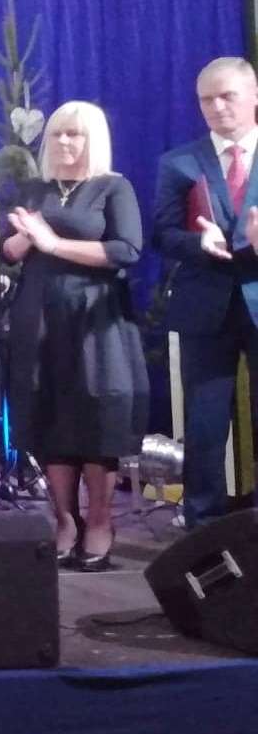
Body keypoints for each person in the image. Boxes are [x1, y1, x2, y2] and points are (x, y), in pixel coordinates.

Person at [5, 101, 147, 569]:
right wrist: (26, 238)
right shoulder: (35, 189)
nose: (65, 142)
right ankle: (65, 520)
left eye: (75, 134)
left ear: (93, 139)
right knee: (49, 413)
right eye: (59, 134)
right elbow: (8, 252)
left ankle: (101, 520)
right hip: (39, 314)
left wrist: (52, 243)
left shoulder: (112, 187)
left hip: (94, 315)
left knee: (96, 414)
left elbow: (126, 250)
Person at [153, 57, 258, 530]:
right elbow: (162, 234)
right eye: (206, 100)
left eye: (227, 96)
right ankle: (202, 528)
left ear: (253, 95)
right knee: (205, 422)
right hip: (204, 306)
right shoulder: (179, 161)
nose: (216, 107)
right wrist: (198, 244)